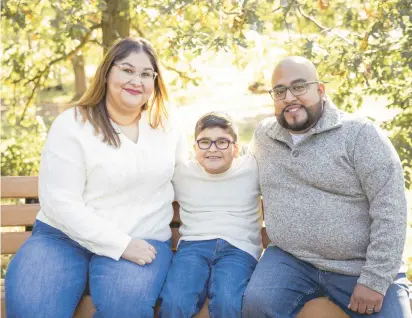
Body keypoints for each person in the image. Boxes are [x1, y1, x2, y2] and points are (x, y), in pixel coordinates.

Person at [5, 37, 185, 318]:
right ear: (107, 72)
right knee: (34, 311)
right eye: (127, 70)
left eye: (145, 74)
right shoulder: (73, 124)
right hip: (62, 238)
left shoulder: (165, 127)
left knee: (124, 310)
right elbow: (60, 202)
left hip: (142, 239)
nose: (136, 80)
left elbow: (188, 177)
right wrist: (119, 244)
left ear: (155, 81)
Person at [242, 56, 411, 317]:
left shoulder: (360, 135)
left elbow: (392, 210)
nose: (289, 97)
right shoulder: (265, 136)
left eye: (299, 87)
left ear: (320, 90)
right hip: (291, 259)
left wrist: (375, 279)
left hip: (358, 266)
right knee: (256, 304)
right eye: (280, 91)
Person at [159, 112, 263, 318]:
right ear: (195, 148)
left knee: (229, 301)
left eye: (222, 142)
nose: (213, 149)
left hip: (239, 249)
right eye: (204, 142)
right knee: (175, 301)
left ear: (235, 148)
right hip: (193, 246)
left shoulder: (252, 168)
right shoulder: (182, 173)